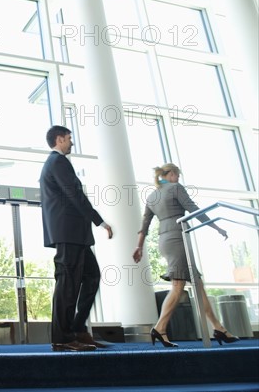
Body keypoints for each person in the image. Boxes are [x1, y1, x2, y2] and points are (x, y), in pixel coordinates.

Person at [133, 163, 239, 347]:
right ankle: (160, 327)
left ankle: (218, 328)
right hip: (178, 237)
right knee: (178, 285)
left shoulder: (151, 196)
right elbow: (193, 209)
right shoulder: (175, 188)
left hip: (164, 239)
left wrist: (139, 247)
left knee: (197, 284)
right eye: (178, 175)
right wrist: (216, 227)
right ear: (172, 174)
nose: (178, 179)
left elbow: (144, 225)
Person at [39, 125, 113, 352]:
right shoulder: (57, 162)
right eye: (69, 138)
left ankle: (78, 328)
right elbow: (74, 194)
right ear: (59, 139)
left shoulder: (56, 163)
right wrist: (99, 220)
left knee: (92, 276)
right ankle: (62, 338)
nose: (71, 142)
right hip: (68, 233)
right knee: (68, 284)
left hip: (75, 235)